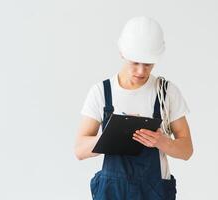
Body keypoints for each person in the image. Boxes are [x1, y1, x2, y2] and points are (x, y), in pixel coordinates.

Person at [74, 16, 193, 200]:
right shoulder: (101, 92)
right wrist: (111, 136)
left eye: (148, 64)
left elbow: (187, 150)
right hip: (112, 192)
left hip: (154, 191)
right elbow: (80, 150)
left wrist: (162, 142)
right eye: (135, 62)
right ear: (122, 53)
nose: (141, 71)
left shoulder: (166, 93)